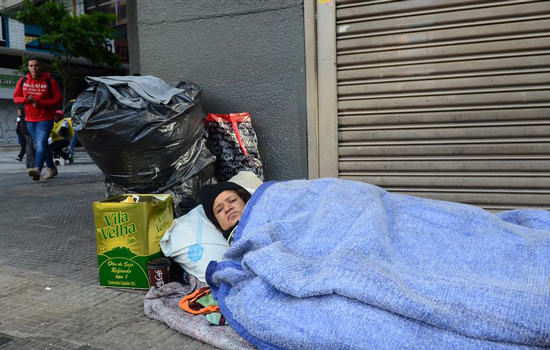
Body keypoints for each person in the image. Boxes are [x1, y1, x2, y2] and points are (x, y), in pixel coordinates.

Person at [13, 57, 62, 181]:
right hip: (29, 119)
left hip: (45, 119)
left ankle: (37, 169)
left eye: (36, 65)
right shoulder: (23, 81)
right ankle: (52, 168)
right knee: (42, 145)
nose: (34, 68)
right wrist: (25, 100)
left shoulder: (50, 81)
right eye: (31, 66)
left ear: (40, 67)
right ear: (28, 67)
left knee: (40, 144)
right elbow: (16, 98)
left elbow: (58, 99)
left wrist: (41, 103)